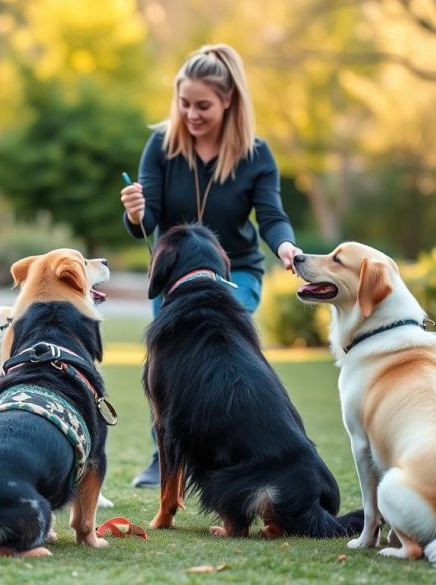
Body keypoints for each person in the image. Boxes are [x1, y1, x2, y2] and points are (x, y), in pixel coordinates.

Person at [120, 43, 303, 488]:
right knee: (169, 368)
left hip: (234, 274)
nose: (192, 114)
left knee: (222, 363)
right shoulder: (162, 145)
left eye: (203, 105)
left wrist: (286, 248)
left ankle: (227, 453)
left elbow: (272, 218)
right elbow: (149, 218)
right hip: (175, 279)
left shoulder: (255, 155)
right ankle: (164, 459)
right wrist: (134, 212)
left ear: (228, 101)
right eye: (184, 104)